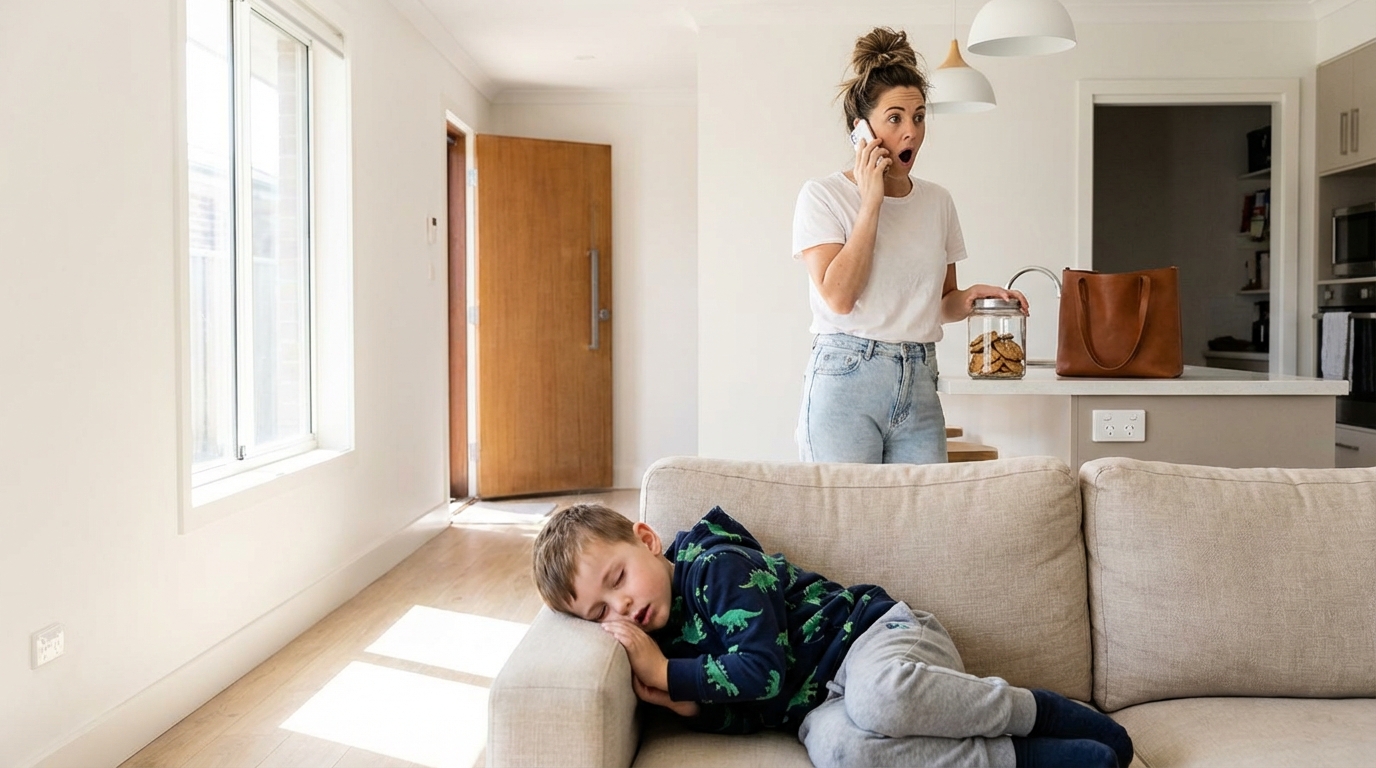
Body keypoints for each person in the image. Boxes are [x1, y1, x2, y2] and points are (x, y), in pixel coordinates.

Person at [532, 502, 1134, 768]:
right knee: (845, 753)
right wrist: (696, 708)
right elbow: (758, 706)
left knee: (881, 699)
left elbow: (762, 669)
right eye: (600, 611)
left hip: (874, 639)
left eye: (618, 579)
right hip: (817, 707)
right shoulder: (661, 638)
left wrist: (668, 675)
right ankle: (1025, 759)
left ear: (646, 540)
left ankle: (1035, 711)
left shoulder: (716, 566)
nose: (622, 605)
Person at [793, 27, 1027, 465]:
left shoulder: (938, 201)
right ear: (862, 129)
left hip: (919, 379)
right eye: (895, 118)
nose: (911, 133)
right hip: (845, 378)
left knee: (923, 510)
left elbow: (940, 304)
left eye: (919, 117)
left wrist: (970, 299)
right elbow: (839, 297)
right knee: (845, 510)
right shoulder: (822, 196)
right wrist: (871, 202)